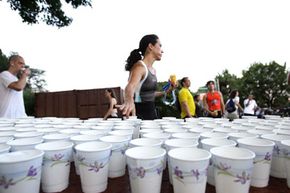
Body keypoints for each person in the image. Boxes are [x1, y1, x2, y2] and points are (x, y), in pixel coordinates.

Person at [120, 34, 165, 120]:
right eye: (159, 45)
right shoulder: (140, 67)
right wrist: (129, 101)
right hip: (140, 117)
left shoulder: (153, 70)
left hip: (151, 114)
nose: (162, 51)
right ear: (151, 46)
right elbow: (130, 86)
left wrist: (167, 91)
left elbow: (148, 94)